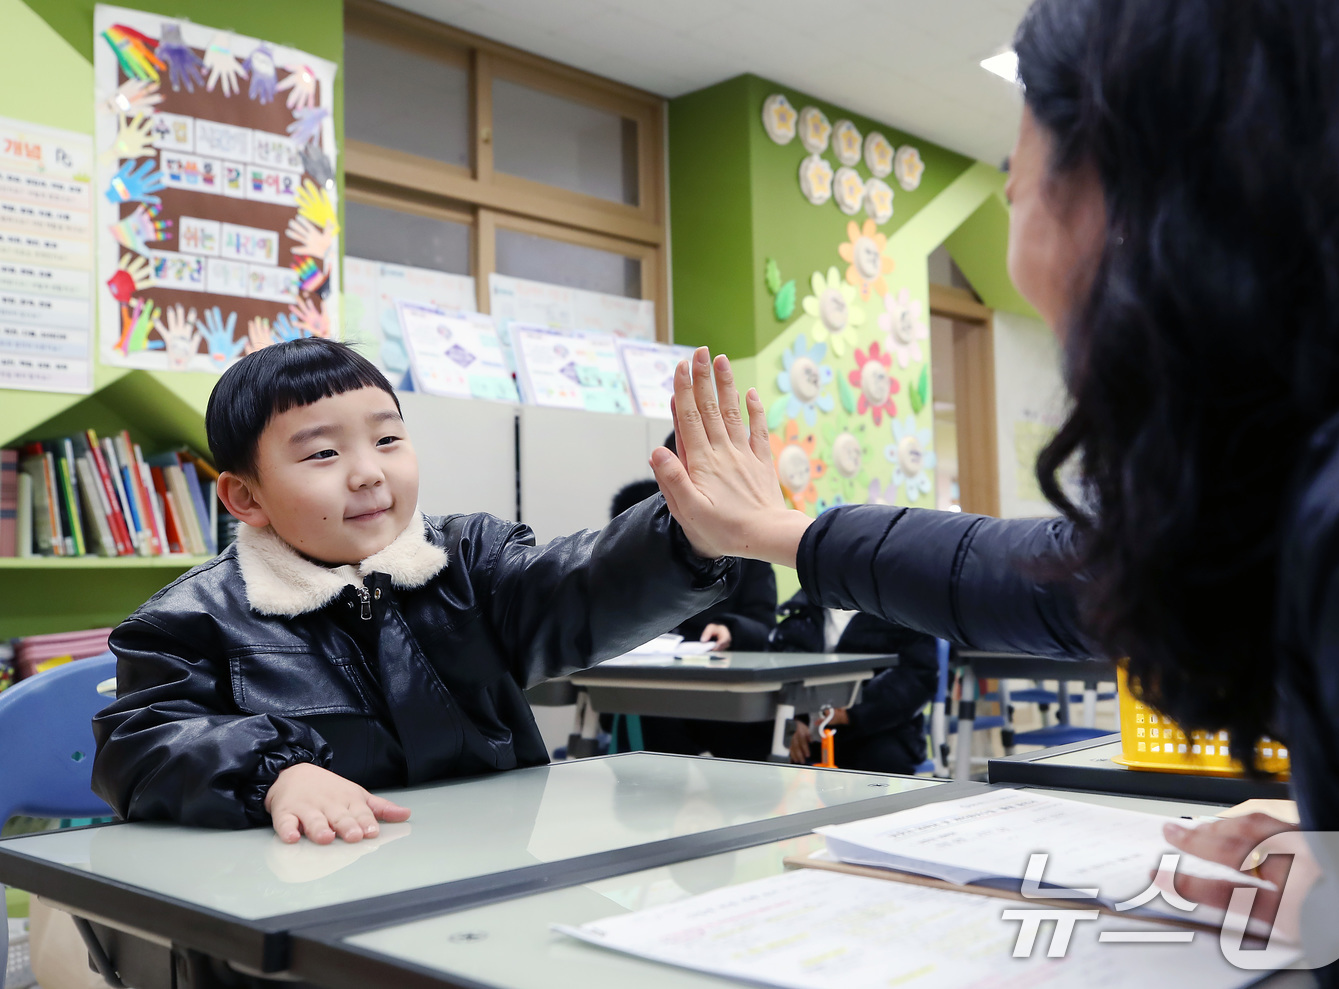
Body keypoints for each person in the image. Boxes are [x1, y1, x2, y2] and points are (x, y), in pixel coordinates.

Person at [646, 1, 1339, 980]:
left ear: (1124, 191)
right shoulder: (1310, 467)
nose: (1012, 208)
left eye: (1016, 175)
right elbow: (1029, 574)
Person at [91, 338, 736, 844]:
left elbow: (579, 584)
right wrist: (275, 774)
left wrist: (683, 535)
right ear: (245, 496)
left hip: (482, 884)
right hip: (307, 907)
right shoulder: (189, 622)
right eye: (322, 454)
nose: (369, 473)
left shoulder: (470, 564)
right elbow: (139, 745)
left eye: (388, 439)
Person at [604, 474, 777, 760]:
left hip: (726, 697)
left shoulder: (748, 552)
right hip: (650, 698)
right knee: (646, 723)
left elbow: (765, 628)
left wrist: (731, 630)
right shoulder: (632, 550)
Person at [772, 591, 941, 776]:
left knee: (880, 758)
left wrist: (851, 714)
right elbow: (775, 670)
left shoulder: (902, 610)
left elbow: (917, 677)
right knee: (757, 741)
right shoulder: (800, 611)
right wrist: (790, 719)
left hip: (881, 729)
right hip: (806, 730)